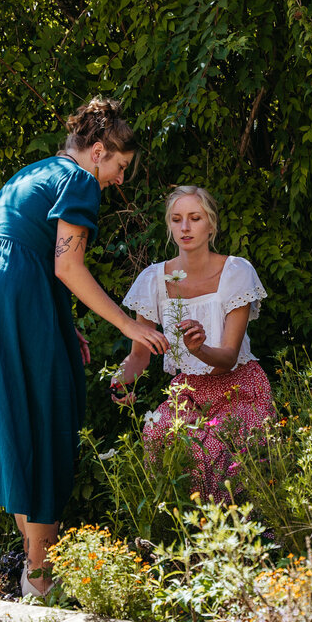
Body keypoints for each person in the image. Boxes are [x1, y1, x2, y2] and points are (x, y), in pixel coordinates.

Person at [0, 98, 169, 597]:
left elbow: (21, 250)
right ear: (97, 152)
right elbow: (66, 266)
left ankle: (33, 574)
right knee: (45, 414)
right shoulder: (78, 180)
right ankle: (40, 583)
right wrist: (129, 327)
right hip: (13, 298)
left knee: (14, 415)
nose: (118, 179)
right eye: (118, 166)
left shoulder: (36, 172)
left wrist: (58, 320)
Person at [112, 186, 273, 502]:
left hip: (237, 388)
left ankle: (237, 538)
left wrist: (198, 348)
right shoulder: (153, 280)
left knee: (213, 448)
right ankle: (178, 533)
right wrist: (120, 381)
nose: (185, 228)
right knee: (157, 433)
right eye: (176, 219)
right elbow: (139, 356)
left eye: (195, 218)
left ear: (211, 225)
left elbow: (227, 357)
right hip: (186, 393)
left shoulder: (236, 271)